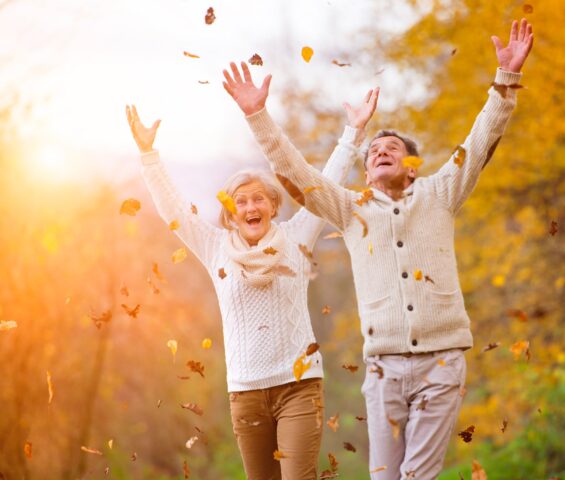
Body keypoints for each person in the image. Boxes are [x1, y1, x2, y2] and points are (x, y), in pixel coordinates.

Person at [223, 18, 533, 480]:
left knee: (416, 476)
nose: (379, 153)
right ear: (366, 173)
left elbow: (480, 140)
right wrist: (257, 116)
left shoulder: (441, 192)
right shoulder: (350, 209)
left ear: (411, 167)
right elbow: (295, 172)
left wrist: (505, 80)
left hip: (442, 360)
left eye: (390, 148)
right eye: (372, 153)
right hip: (383, 368)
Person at [125, 81, 378, 480]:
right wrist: (148, 155)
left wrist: (353, 132)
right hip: (245, 393)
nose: (250, 206)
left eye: (259, 198)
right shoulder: (214, 247)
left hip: (299, 387)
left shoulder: (297, 237)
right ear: (230, 213)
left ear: (274, 205)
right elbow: (173, 211)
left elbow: (321, 186)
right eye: (241, 201)